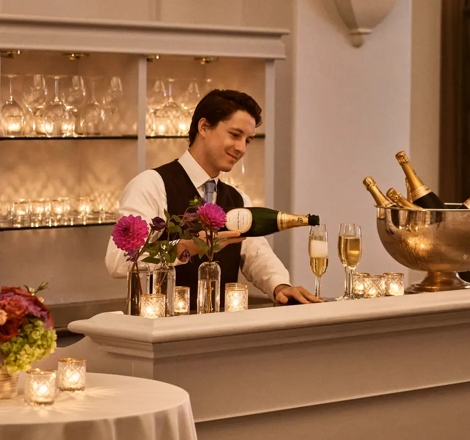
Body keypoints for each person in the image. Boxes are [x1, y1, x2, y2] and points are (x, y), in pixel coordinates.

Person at [105, 89, 320, 308]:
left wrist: (280, 286)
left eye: (248, 140)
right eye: (235, 135)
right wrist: (184, 247)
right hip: (163, 332)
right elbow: (119, 261)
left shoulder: (238, 198)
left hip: (221, 334)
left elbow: (257, 254)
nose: (241, 148)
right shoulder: (151, 185)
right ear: (204, 127)